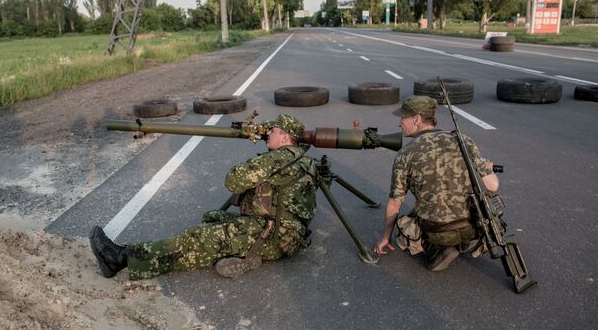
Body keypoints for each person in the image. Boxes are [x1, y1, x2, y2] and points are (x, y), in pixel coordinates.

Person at [90, 113, 318, 280]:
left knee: (197, 238)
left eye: (274, 131)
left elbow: (233, 181)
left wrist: (263, 155)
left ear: (286, 137)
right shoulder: (304, 160)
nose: (268, 133)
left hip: (270, 235)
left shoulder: (278, 158)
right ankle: (239, 253)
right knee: (213, 217)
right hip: (285, 233)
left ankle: (120, 258)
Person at [372, 96, 499, 271]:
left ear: (416, 119)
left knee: (405, 224)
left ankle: (437, 248)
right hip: (472, 227)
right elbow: (492, 186)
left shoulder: (405, 154)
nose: (399, 123)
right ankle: (465, 242)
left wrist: (386, 237)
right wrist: (488, 169)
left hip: (436, 232)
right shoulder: (464, 142)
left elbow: (395, 203)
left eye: (403, 118)